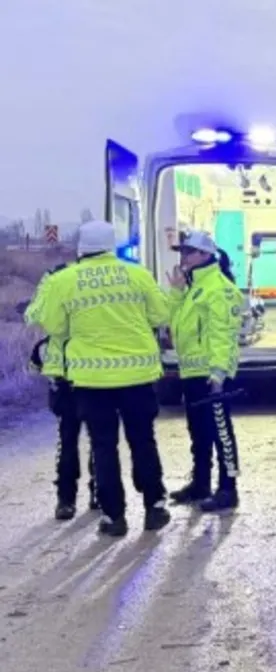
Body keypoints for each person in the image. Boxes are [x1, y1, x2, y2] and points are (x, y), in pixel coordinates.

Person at [33, 220, 173, 537]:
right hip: (137, 376)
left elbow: (55, 327)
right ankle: (155, 507)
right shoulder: (137, 274)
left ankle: (114, 517)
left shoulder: (64, 281)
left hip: (92, 381)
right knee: (143, 441)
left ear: (81, 247)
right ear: (112, 245)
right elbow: (161, 316)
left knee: (104, 447)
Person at [164, 232, 245, 512]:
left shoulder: (218, 289)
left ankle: (228, 488)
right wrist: (175, 291)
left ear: (206, 256)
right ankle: (200, 484)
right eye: (182, 252)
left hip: (212, 373)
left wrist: (219, 372)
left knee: (221, 432)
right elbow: (172, 323)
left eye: (189, 252)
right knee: (198, 431)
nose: (183, 257)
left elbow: (222, 334)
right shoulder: (193, 288)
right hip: (192, 372)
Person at [23, 262, 97, 521]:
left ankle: (68, 500)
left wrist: (47, 289)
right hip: (89, 372)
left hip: (76, 373)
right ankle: (87, 495)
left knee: (72, 439)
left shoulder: (55, 281)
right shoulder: (93, 282)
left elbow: (34, 315)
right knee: (94, 438)